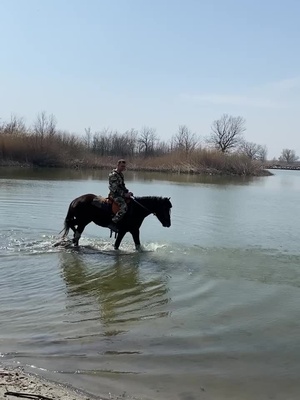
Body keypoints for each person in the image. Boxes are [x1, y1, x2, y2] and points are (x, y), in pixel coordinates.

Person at [107, 159, 133, 231]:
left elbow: (122, 186)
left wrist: (128, 192)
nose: (123, 168)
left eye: (124, 167)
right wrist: (125, 194)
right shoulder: (113, 175)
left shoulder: (121, 174)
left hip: (121, 194)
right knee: (124, 207)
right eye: (122, 166)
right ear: (118, 165)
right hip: (114, 195)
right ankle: (113, 222)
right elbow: (115, 189)